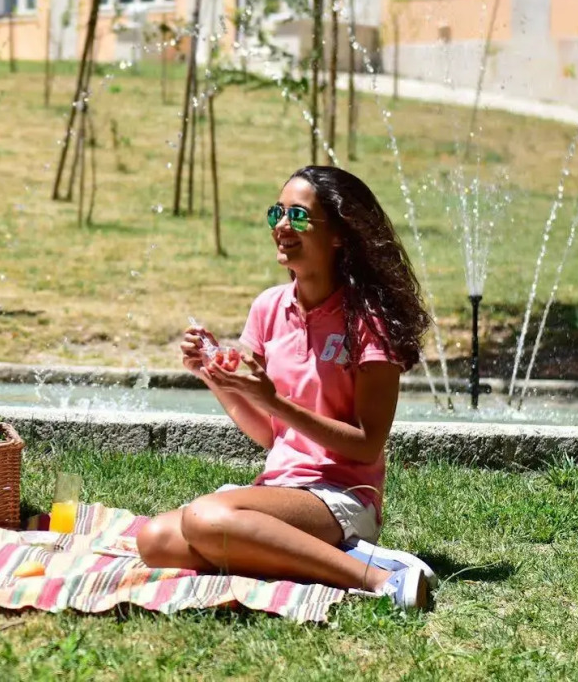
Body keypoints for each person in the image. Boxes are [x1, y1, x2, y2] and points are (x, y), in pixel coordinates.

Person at [136, 166, 439, 610]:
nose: (281, 225)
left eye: (298, 216)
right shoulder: (268, 308)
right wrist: (212, 376)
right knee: (155, 540)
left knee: (205, 518)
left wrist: (274, 400)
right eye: (277, 213)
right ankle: (333, 558)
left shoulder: (368, 322)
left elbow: (367, 445)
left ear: (338, 234)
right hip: (282, 488)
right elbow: (268, 434)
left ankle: (380, 579)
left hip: (341, 495)